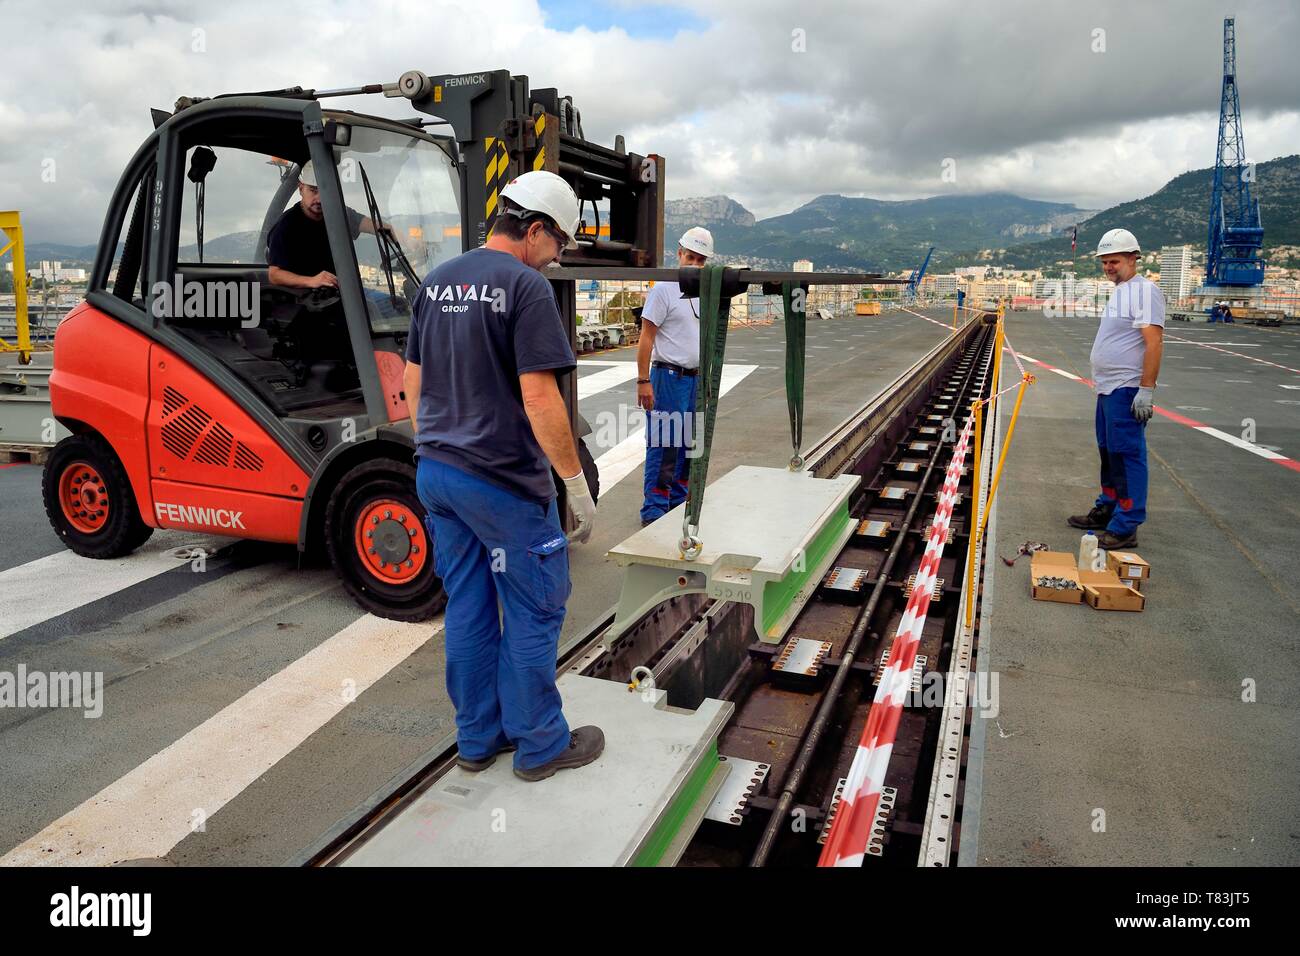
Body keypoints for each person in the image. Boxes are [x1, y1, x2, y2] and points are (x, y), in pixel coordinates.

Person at [403, 170, 604, 782]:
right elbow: (540, 397)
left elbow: (412, 382)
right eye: (560, 243)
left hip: (437, 475)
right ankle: (541, 744)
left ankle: (477, 739)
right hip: (503, 484)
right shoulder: (525, 288)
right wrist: (572, 481)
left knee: (467, 602)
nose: (558, 256)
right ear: (535, 230)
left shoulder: (436, 282)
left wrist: (438, 446)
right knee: (533, 606)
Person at [1067, 228, 1165, 549]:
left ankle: (1126, 524)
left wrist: (1146, 390)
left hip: (1126, 388)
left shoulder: (1144, 291)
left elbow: (1154, 343)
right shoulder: (1121, 290)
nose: (1109, 267)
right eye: (1105, 262)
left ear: (1133, 258)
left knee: (1126, 455)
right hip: (1108, 389)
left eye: (1115, 261)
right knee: (1108, 452)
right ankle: (1108, 507)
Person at [266, 160, 398, 366]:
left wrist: (400, 237)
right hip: (311, 296)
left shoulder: (336, 214)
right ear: (301, 189)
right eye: (313, 190)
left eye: (324, 191)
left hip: (341, 290)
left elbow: (371, 225)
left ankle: (397, 368)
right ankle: (376, 368)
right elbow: (274, 274)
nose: (319, 198)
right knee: (371, 308)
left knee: (397, 305)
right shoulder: (287, 226)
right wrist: (312, 280)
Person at [635, 226, 713, 525]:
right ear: (679, 253)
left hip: (694, 379)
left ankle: (678, 500)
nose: (694, 264)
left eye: (700, 260)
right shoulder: (663, 289)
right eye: (690, 257)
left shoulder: (705, 290)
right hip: (668, 377)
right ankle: (654, 509)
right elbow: (646, 338)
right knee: (665, 443)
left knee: (689, 443)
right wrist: (643, 381)